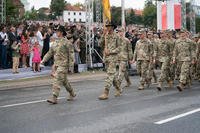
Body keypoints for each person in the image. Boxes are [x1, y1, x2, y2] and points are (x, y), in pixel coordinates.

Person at [40, 26, 76, 104]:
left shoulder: (67, 42)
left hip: (64, 65)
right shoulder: (55, 42)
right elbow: (50, 53)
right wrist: (43, 61)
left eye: (58, 31)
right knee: (64, 81)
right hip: (57, 65)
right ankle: (72, 93)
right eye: (56, 31)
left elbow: (71, 55)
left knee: (57, 79)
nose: (56, 32)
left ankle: (54, 97)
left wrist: (71, 66)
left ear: (62, 32)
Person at [98, 23, 121, 100]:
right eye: (106, 26)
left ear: (112, 27)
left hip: (113, 58)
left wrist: (111, 51)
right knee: (112, 75)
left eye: (108, 26)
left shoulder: (117, 36)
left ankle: (106, 92)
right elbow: (100, 44)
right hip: (106, 58)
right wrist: (102, 35)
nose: (107, 28)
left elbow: (119, 48)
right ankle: (118, 88)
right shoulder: (106, 36)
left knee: (110, 74)